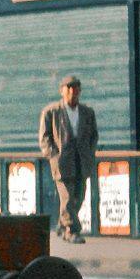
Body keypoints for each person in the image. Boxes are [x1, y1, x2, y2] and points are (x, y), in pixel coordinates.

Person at [38, 75, 97, 244]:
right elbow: (44, 138)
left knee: (79, 196)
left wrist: (89, 152)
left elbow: (94, 136)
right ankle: (72, 230)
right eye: (69, 88)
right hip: (62, 163)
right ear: (61, 91)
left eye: (76, 87)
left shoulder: (87, 112)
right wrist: (54, 155)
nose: (73, 91)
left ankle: (62, 224)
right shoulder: (51, 112)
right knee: (68, 197)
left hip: (82, 162)